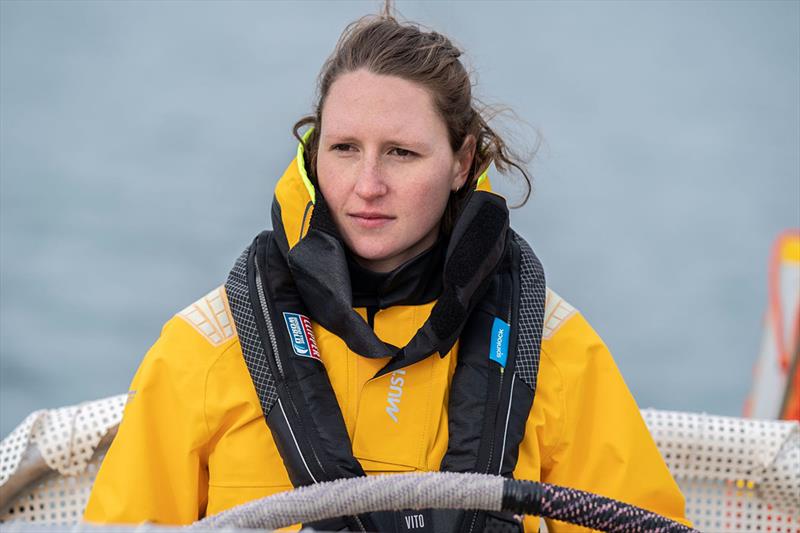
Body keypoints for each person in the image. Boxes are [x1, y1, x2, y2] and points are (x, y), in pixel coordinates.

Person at [84, 9, 690, 533]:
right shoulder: (205, 349)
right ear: (314, 153)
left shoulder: (554, 352)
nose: (367, 186)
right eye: (345, 148)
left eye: (401, 152)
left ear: (462, 162)